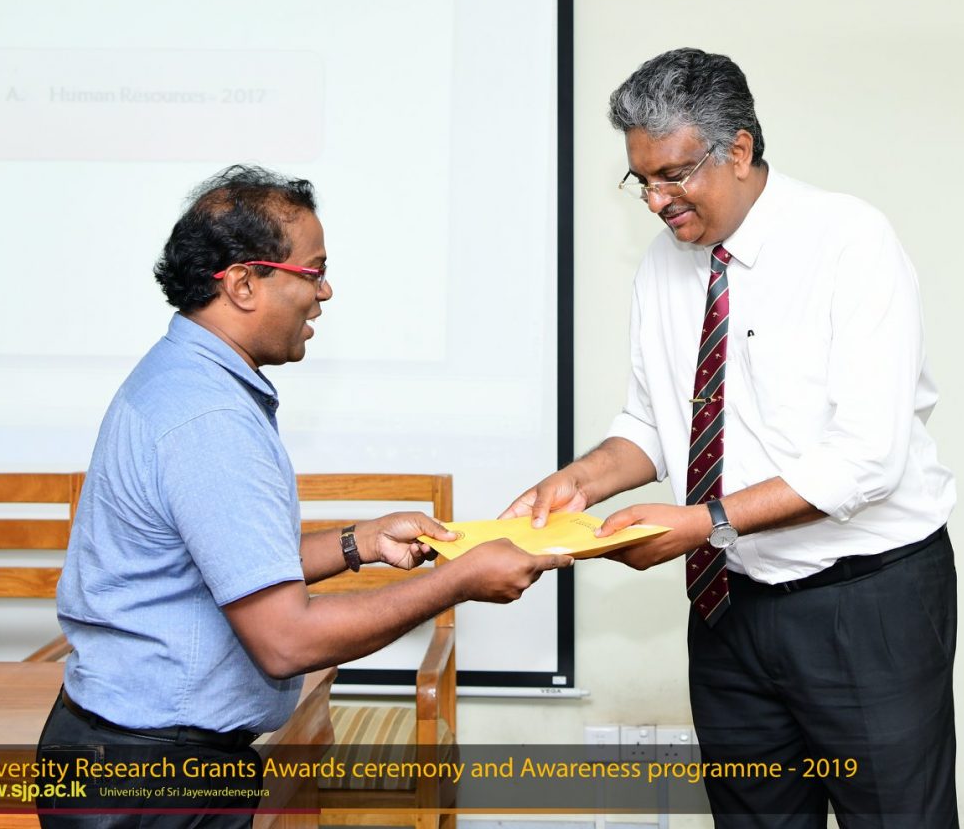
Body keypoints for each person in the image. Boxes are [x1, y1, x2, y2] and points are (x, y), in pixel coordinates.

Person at [503, 49, 959, 827]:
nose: (656, 201)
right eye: (641, 180)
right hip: (729, 606)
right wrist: (577, 481)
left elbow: (866, 459)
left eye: (673, 175)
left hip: (864, 603)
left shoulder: (849, 241)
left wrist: (701, 523)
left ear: (739, 150)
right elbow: (654, 424)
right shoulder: (663, 264)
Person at [38, 165, 570, 828]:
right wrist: (457, 582)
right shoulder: (210, 419)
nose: (324, 292)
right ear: (242, 283)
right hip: (153, 779)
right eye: (313, 272)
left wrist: (359, 543)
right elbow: (286, 642)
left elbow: (224, 566)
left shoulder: (182, 377)